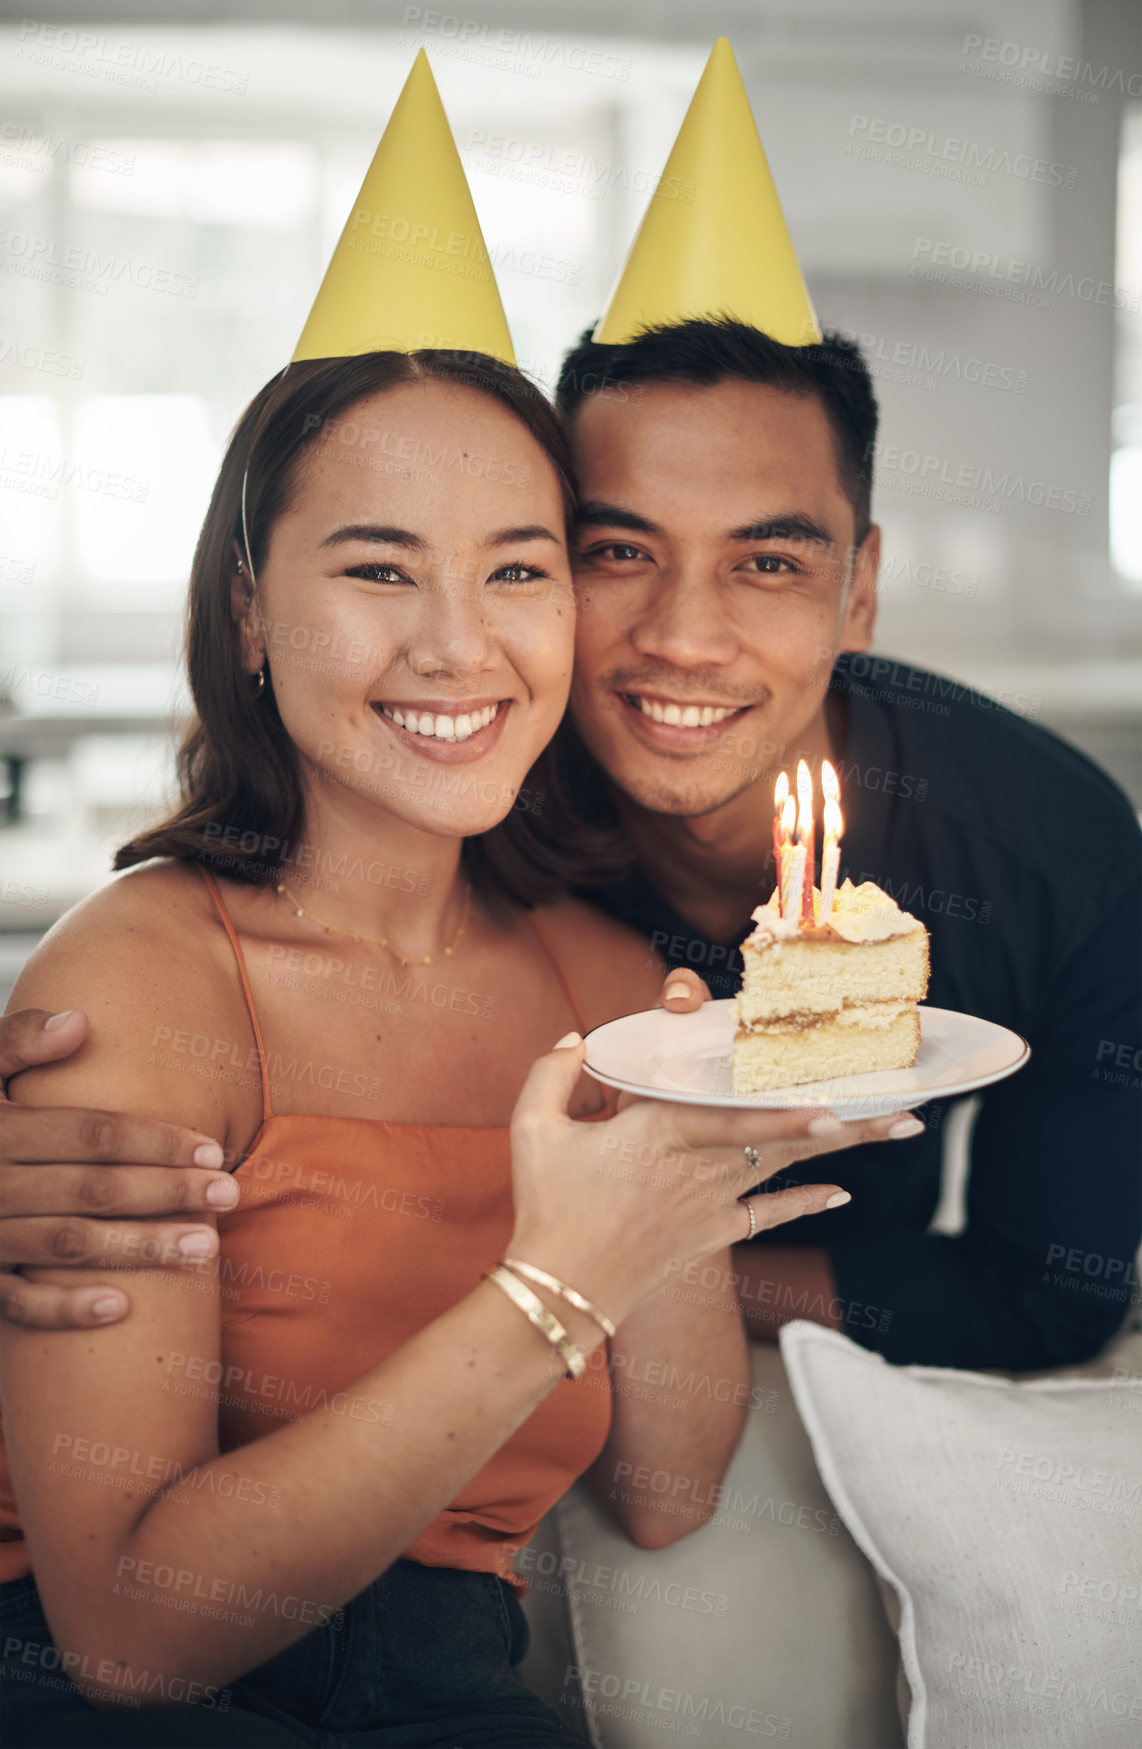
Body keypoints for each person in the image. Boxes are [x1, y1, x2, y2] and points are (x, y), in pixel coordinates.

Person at [0, 59, 904, 1748]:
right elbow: (127, 1636)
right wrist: (557, 1276)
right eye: (375, 568)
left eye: (517, 566)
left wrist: (691, 1183)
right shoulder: (135, 981)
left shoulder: (618, 980)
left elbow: (669, 1485)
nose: (455, 646)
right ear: (252, 609)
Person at [3, 43, 1138, 1372]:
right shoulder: (457, 771)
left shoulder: (1047, 847)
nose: (682, 637)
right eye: (611, 552)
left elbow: (1045, 1293)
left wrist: (618, 1263)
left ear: (860, 591)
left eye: (767, 562)